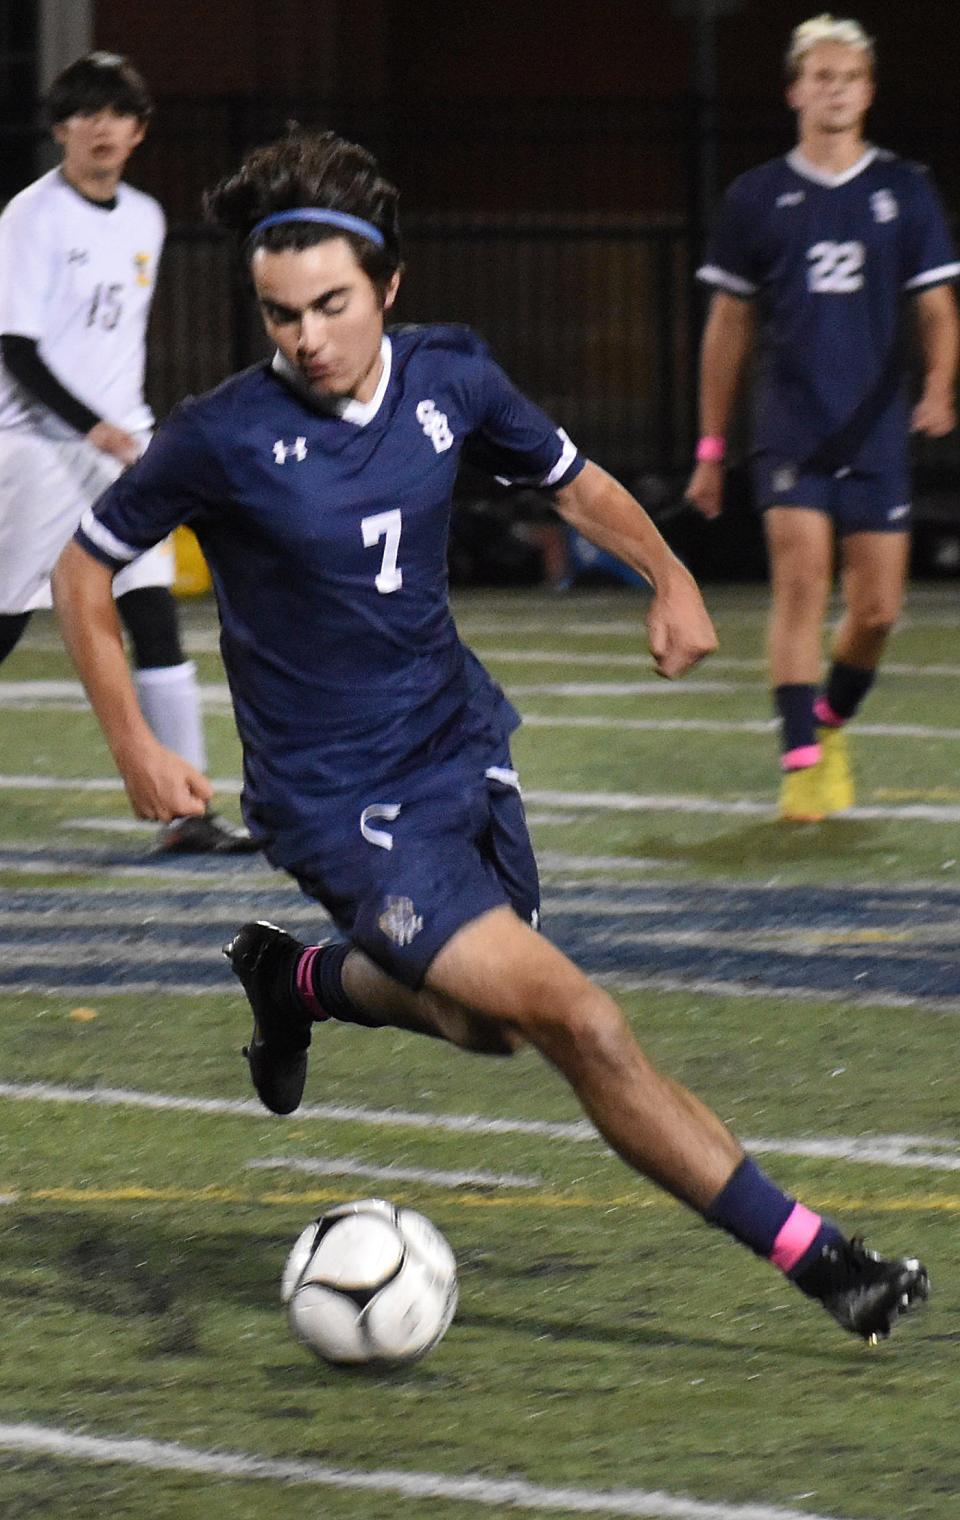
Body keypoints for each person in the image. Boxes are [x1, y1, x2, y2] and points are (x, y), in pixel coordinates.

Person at [52, 128, 926, 1342]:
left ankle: (292, 978)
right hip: (338, 799)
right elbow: (81, 573)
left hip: (459, 745)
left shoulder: (451, 377)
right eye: (278, 312)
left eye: (330, 305)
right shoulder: (225, 433)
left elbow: (571, 483)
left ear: (389, 288)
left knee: (481, 1024)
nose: (304, 335)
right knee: (580, 1018)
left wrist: (667, 571)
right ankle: (823, 1256)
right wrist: (135, 745)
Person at [686, 13, 960, 821]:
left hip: (875, 430)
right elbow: (727, 326)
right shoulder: (758, 197)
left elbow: (939, 307)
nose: (835, 88)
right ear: (796, 90)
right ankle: (801, 764)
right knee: (801, 582)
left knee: (877, 611)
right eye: (821, 75)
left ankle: (828, 721)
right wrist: (710, 446)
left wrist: (942, 383)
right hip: (792, 425)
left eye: (849, 76)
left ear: (868, 91)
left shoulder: (904, 190)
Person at [0, 51, 255, 853]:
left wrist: (126, 432)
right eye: (84, 111)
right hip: (33, 450)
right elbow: (16, 347)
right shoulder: (29, 218)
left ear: (139, 130)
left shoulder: (144, 216)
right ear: (59, 128)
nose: (101, 125)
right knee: (4, 626)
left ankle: (188, 812)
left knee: (152, 613)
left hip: (119, 449)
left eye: (118, 112)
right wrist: (95, 427)